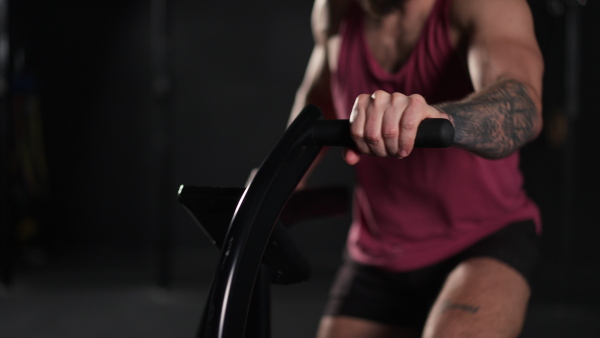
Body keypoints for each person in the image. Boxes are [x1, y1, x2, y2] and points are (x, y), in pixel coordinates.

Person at [288, 0, 544, 337]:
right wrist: (285, 179)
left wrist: (441, 120)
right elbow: (319, 93)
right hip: (380, 251)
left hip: (482, 239)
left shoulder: (484, 5)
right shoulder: (333, 9)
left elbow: (521, 103)